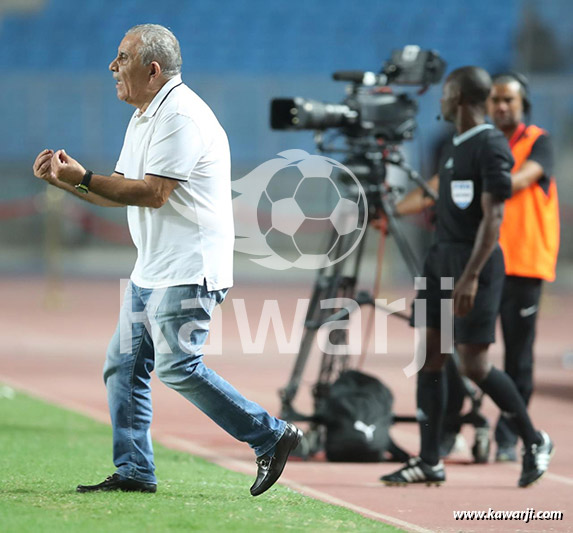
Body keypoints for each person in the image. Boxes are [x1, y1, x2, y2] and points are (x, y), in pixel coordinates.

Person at [32, 24, 301, 496]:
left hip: (188, 268)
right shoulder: (145, 114)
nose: (112, 67)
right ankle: (135, 470)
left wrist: (85, 177)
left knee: (178, 365)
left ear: (152, 70)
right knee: (122, 365)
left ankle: (271, 435)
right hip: (154, 268)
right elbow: (119, 192)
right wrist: (68, 182)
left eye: (122, 58)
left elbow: (153, 194)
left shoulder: (180, 116)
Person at [378, 66, 553, 488]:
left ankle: (533, 439)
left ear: (457, 97)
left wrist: (471, 276)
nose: (438, 101)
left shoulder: (491, 145)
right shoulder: (452, 144)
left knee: (475, 364)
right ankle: (430, 459)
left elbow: (494, 218)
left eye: (444, 94)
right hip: (442, 259)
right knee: (431, 357)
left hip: (476, 264)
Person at [488, 72, 559, 461]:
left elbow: (520, 181)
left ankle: (508, 437)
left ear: (523, 104)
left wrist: (476, 181)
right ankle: (457, 428)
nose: (501, 106)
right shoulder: (480, 142)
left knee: (519, 358)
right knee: (466, 351)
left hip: (525, 265)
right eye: (495, 99)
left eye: (509, 100)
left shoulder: (539, 142)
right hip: (483, 264)